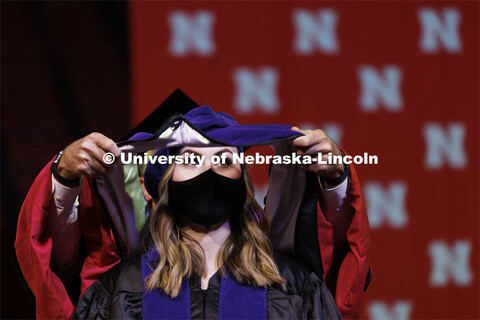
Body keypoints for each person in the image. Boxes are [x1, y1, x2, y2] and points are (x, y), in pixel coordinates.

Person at [15, 101, 370, 319]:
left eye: (224, 159)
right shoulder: (119, 288)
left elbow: (341, 259)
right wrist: (63, 172)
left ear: (244, 185)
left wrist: (336, 175)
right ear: (162, 190)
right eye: (190, 160)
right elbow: (54, 264)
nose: (209, 170)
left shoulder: (293, 285)